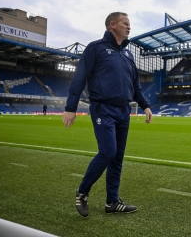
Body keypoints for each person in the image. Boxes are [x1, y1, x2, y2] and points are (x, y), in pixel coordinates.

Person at [62, 12, 153, 218]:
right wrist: (70, 107)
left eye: (129, 24)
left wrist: (145, 106)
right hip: (103, 108)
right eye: (125, 23)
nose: (129, 27)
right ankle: (82, 192)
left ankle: (112, 201)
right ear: (112, 25)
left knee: (117, 157)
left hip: (124, 111)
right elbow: (80, 77)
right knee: (108, 152)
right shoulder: (96, 48)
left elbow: (136, 86)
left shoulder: (128, 55)